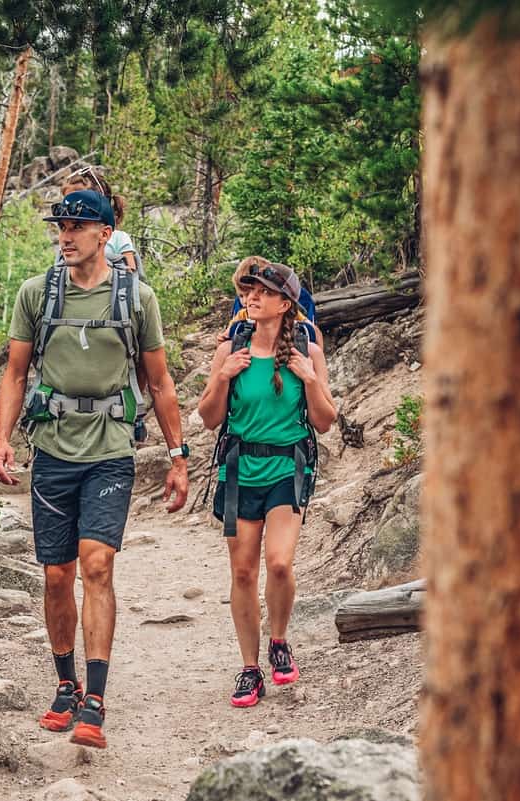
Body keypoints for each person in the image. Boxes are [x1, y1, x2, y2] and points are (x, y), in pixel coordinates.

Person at [0, 189, 190, 748]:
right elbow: (14, 373)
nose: (66, 234)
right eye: (61, 225)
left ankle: (95, 701)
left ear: (105, 233)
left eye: (78, 225)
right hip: (52, 448)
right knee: (57, 576)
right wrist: (2, 438)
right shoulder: (36, 294)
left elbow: (160, 381)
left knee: (96, 564)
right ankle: (65, 687)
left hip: (110, 448)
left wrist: (178, 457)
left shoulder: (137, 299)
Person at [196, 260, 336, 708]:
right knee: (242, 572)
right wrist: (222, 377)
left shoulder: (307, 350)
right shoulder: (230, 349)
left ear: (284, 302)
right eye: (247, 291)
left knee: (278, 563)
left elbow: (325, 421)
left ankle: (279, 641)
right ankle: (250, 668)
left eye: (260, 292)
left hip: (287, 467)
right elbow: (209, 417)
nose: (250, 298)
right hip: (239, 468)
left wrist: (311, 380)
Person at [60, 166, 140, 273]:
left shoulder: (119, 238)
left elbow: (131, 271)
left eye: (77, 201)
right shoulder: (67, 242)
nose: (70, 206)